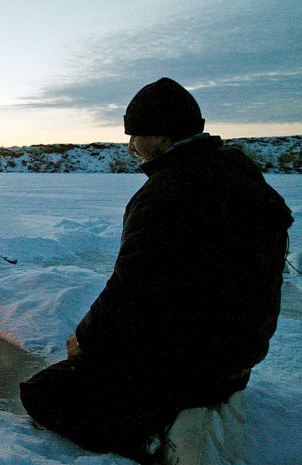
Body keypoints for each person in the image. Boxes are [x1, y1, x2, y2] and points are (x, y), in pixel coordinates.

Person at [19, 78, 293, 464]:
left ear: (162, 135)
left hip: (191, 362)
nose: (131, 146)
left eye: (136, 135)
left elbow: (134, 287)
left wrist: (87, 338)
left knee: (44, 391)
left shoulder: (167, 193)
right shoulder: (241, 174)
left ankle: (151, 431)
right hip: (237, 356)